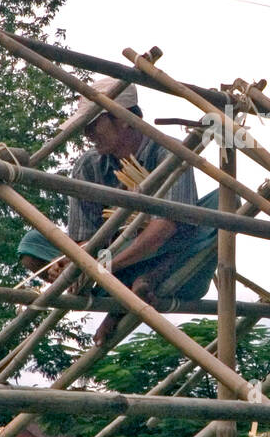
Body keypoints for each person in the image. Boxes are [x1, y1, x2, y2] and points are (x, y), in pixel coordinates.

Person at [17, 78, 218, 347]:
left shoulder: (167, 151)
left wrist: (104, 266)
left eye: (94, 124)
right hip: (110, 261)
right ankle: (123, 292)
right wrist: (72, 261)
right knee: (33, 244)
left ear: (123, 118)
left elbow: (166, 227)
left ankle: (142, 281)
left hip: (168, 254)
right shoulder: (89, 166)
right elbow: (84, 238)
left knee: (224, 204)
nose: (88, 133)